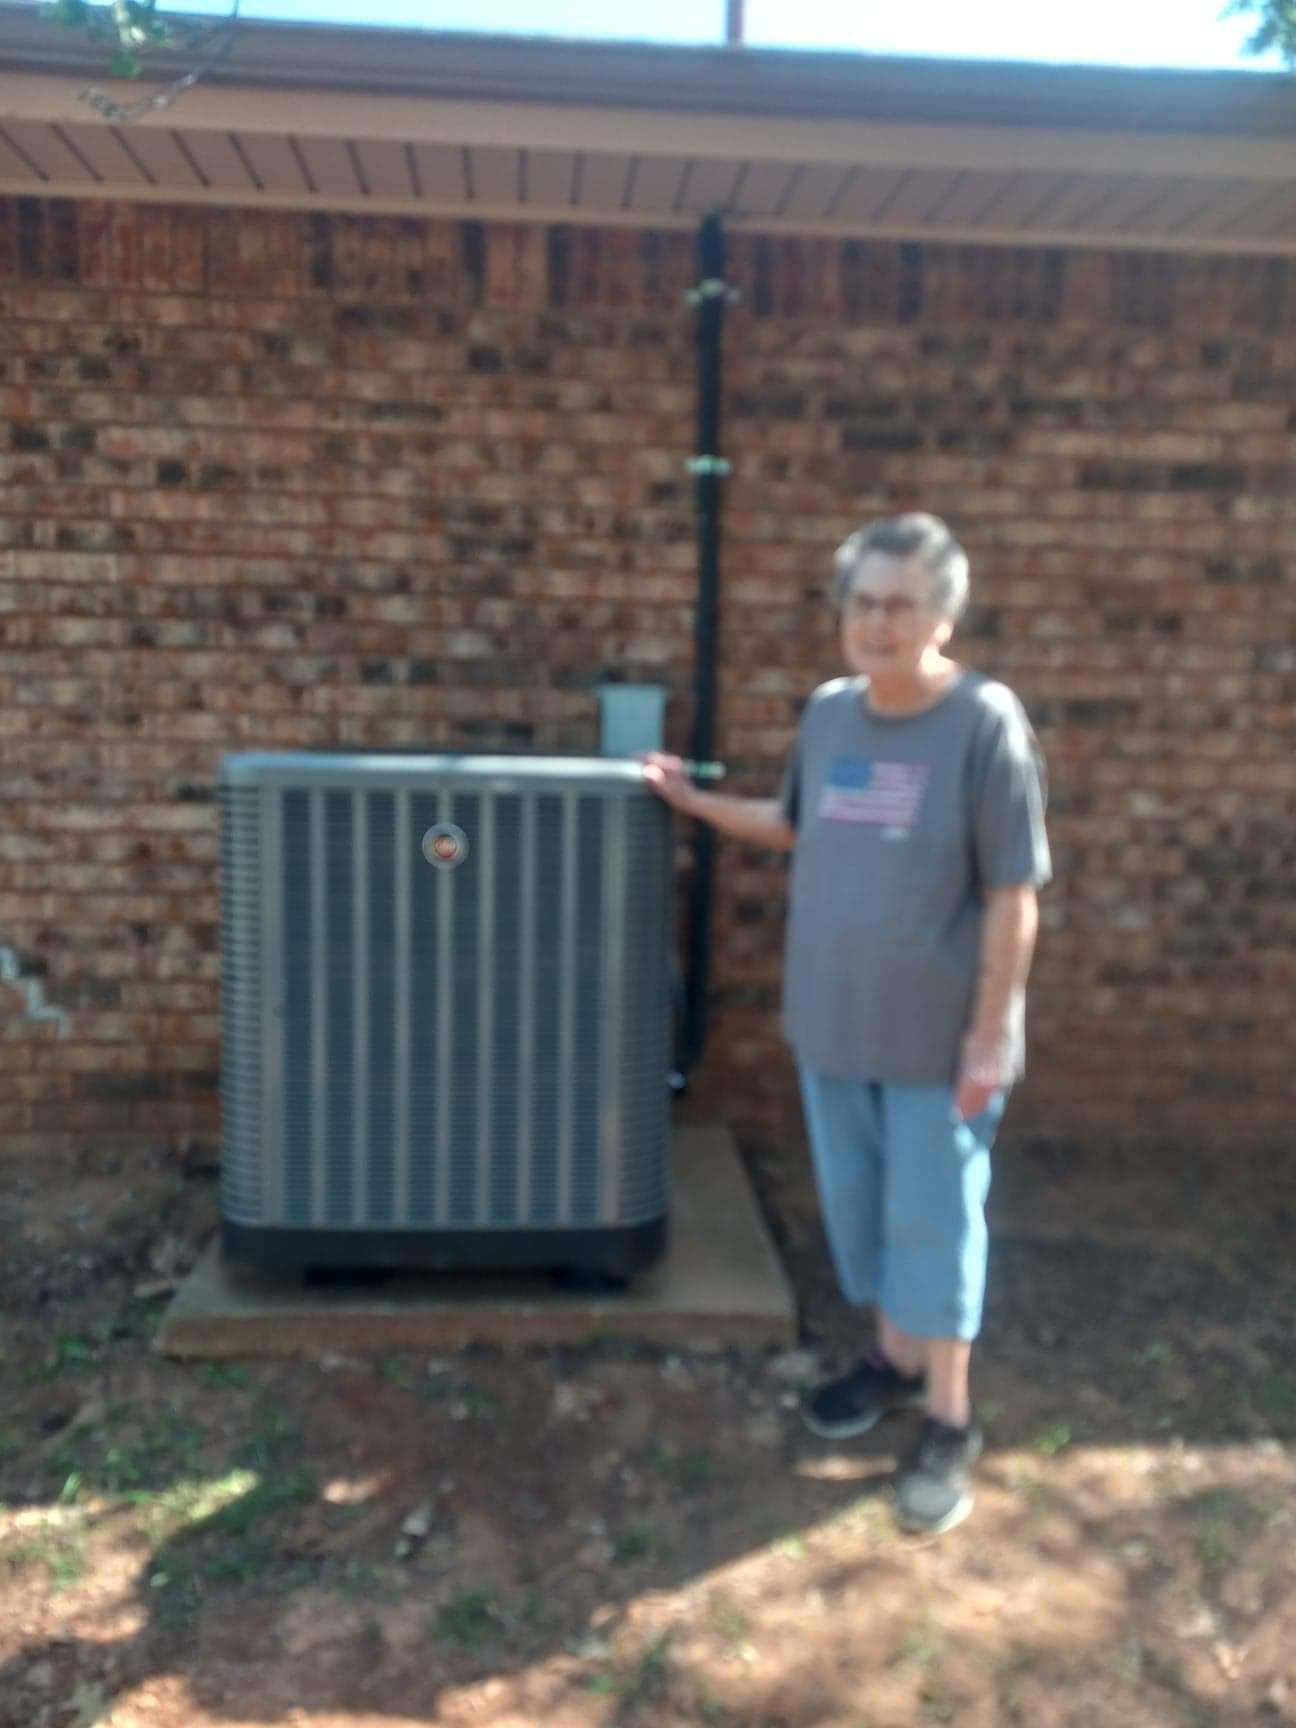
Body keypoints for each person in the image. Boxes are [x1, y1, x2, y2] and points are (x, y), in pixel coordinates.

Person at [644, 513, 1051, 1536]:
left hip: (938, 1044)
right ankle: (892, 1363)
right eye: (862, 603)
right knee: (866, 1214)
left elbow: (1014, 892)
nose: (876, 622)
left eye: (900, 604)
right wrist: (692, 804)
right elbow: (792, 823)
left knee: (937, 1219)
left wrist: (992, 1034)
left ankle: (950, 1418)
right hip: (833, 1027)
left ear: (943, 614)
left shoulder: (983, 724)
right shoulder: (829, 715)